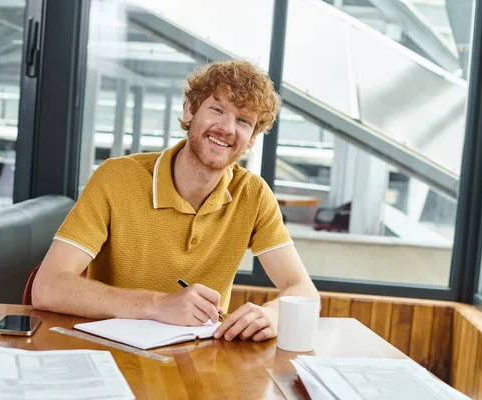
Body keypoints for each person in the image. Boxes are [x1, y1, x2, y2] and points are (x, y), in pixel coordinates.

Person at [32, 60, 319, 342]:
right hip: (113, 355)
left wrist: (272, 315)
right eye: (217, 109)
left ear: (253, 138)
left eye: (244, 121)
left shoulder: (253, 194)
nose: (228, 128)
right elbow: (47, 287)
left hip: (201, 362)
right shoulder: (116, 177)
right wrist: (158, 305)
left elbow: (304, 291)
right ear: (189, 110)